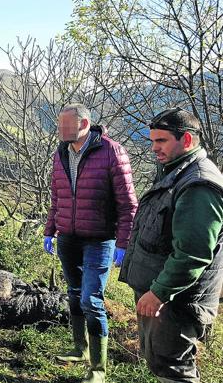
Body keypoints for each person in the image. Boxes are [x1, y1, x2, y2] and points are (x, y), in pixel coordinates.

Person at [119, 108, 223, 382]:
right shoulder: (176, 172)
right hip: (165, 295)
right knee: (163, 362)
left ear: (187, 140)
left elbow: (193, 254)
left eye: (161, 141)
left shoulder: (198, 185)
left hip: (177, 301)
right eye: (152, 141)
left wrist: (159, 293)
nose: (154, 148)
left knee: (174, 368)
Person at [44, 103, 138, 383]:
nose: (60, 130)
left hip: (100, 240)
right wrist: (50, 230)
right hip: (68, 238)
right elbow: (56, 197)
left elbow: (128, 204)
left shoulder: (111, 152)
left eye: (65, 125)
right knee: (74, 295)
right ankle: (79, 348)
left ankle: (97, 369)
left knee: (91, 300)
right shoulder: (60, 153)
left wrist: (124, 243)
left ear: (84, 124)